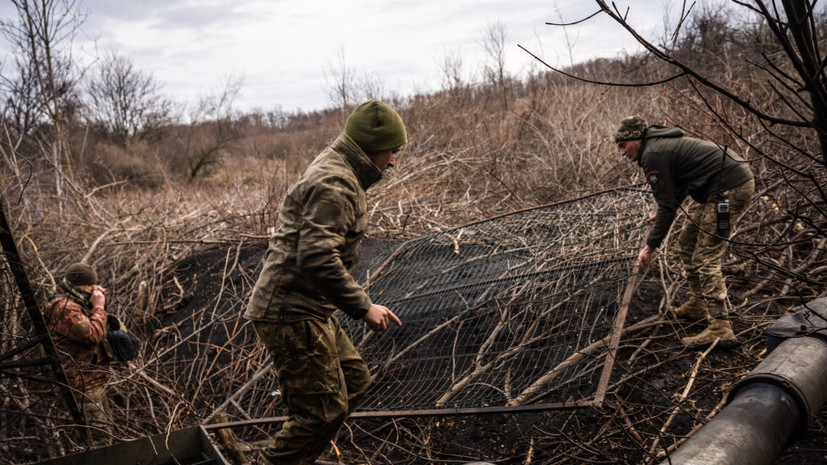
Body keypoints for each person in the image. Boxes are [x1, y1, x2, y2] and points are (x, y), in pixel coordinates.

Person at [245, 100, 406, 465]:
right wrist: (364, 307)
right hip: (291, 311)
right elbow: (317, 258)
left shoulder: (342, 167)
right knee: (320, 413)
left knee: (353, 383)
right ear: (371, 147)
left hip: (310, 307)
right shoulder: (335, 183)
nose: (394, 161)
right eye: (393, 151)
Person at [614, 116, 754, 349]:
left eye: (623, 146)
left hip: (729, 187)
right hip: (718, 186)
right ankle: (698, 304)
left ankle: (721, 327)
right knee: (687, 241)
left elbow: (668, 207)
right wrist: (661, 213)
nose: (622, 153)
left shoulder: (652, 155)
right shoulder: (656, 147)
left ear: (636, 139)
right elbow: (673, 192)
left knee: (706, 257)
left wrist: (650, 247)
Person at [43, 262, 113, 446]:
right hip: (81, 385)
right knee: (101, 441)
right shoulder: (64, 308)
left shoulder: (74, 298)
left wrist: (94, 298)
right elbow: (91, 335)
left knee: (108, 434)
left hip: (91, 379)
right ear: (80, 286)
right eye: (91, 286)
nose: (93, 289)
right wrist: (98, 307)